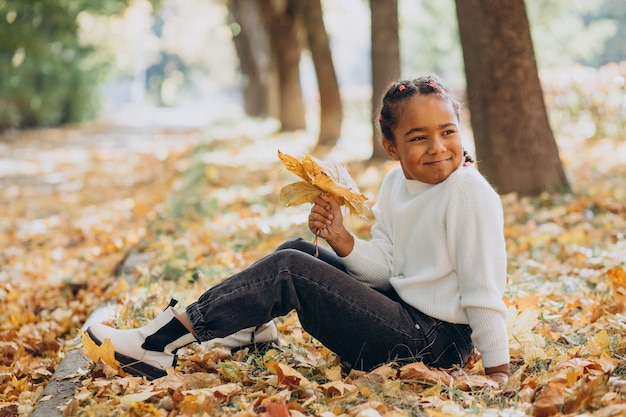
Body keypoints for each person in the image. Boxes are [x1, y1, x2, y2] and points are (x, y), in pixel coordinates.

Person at [87, 75, 510, 384]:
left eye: (447, 132)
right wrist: (340, 236)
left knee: (290, 267)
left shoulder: (468, 194)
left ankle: (158, 340)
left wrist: (498, 373)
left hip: (435, 342)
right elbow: (387, 269)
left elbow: (483, 290)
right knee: (298, 250)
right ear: (391, 147)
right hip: (404, 313)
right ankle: (250, 327)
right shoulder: (396, 183)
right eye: (418, 137)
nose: (437, 147)